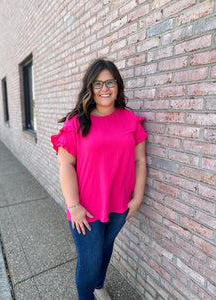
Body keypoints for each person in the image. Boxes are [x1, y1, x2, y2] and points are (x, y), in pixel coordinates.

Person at [51, 58, 148, 300]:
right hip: (86, 209)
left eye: (110, 82)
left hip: (120, 205)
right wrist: (73, 206)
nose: (105, 89)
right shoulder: (77, 123)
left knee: (105, 247)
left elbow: (140, 161)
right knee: (89, 261)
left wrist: (137, 198)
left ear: (118, 85)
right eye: (98, 83)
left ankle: (99, 285)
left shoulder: (130, 120)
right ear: (89, 88)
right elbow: (65, 165)